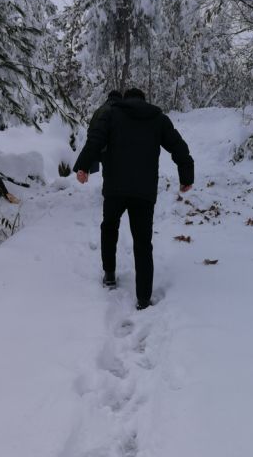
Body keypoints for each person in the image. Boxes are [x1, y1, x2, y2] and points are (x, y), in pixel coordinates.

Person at [73, 88, 194, 310]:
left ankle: (109, 275)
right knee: (142, 243)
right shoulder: (157, 119)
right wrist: (186, 175)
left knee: (109, 228)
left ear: (126, 100)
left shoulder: (111, 113)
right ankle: (144, 298)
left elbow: (95, 140)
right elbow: (178, 146)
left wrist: (83, 166)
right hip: (144, 192)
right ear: (143, 100)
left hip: (114, 189)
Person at [86, 90, 122, 175]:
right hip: (116, 149)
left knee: (107, 173)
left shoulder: (99, 110)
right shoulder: (120, 110)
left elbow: (91, 129)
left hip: (101, 148)